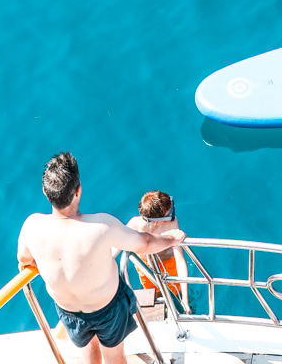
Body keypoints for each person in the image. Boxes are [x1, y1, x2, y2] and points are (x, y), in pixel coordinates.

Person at [18, 153, 186, 364]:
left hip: (69, 311)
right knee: (114, 356)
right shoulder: (101, 226)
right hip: (107, 308)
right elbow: (145, 243)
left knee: (88, 352)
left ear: (45, 191)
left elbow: (24, 260)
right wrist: (171, 238)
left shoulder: (31, 226)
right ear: (78, 191)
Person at [127, 191, 189, 305]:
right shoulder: (135, 224)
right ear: (156, 222)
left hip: (169, 263)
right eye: (169, 213)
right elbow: (114, 249)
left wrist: (185, 298)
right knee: (152, 295)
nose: (173, 214)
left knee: (176, 295)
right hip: (146, 267)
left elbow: (180, 260)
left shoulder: (172, 222)